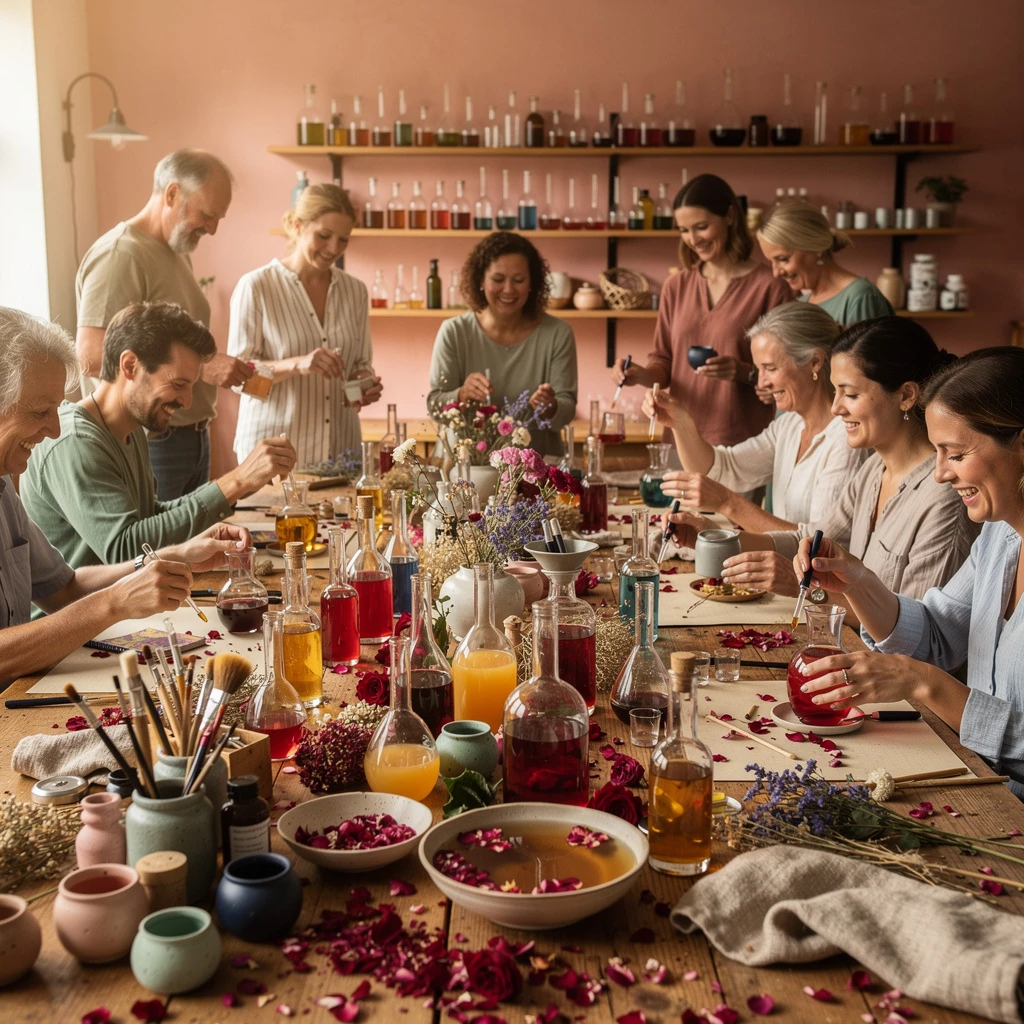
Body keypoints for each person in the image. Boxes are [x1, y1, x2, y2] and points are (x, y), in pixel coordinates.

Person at [791, 348, 1024, 799]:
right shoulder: (999, 536)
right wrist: (857, 582)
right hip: (982, 793)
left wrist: (924, 683)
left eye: (954, 453)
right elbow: (938, 633)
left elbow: (929, 667)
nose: (939, 474)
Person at [0, 307, 250, 687]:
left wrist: (173, 555)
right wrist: (114, 603)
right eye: (40, 411)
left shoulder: (4, 489)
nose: (53, 428)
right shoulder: (75, 439)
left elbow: (64, 589)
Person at [663, 317, 976, 611]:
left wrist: (806, 587)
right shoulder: (874, 471)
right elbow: (814, 540)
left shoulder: (943, 498)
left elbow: (915, 626)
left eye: (850, 394)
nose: (837, 408)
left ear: (906, 395)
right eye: (836, 390)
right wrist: (716, 538)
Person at [20, 302, 295, 570]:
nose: (187, 402)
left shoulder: (131, 428)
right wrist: (236, 480)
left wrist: (242, 485)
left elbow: (149, 516)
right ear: (129, 366)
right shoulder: (75, 441)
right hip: (87, 615)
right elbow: (124, 551)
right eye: (178, 384)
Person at [75, 149, 253, 500]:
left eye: (219, 218)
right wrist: (204, 367)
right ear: (171, 194)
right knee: (158, 550)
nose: (213, 229)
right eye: (206, 214)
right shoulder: (121, 255)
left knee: (190, 549)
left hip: (190, 435)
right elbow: (91, 355)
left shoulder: (174, 251)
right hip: (153, 441)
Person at [643, 301, 867, 533]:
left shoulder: (847, 439)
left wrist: (728, 503)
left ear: (815, 362)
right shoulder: (788, 427)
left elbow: (823, 545)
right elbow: (723, 468)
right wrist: (680, 422)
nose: (761, 383)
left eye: (770, 368)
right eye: (758, 370)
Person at [609, 173, 790, 447]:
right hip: (680, 437)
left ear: (730, 216)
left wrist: (741, 371)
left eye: (701, 227)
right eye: (684, 230)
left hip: (743, 443)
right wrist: (640, 375)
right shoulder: (676, 286)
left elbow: (787, 372)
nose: (693, 239)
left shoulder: (770, 287)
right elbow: (664, 361)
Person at [228, 183, 382, 466]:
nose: (334, 249)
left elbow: (360, 362)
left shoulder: (355, 291)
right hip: (273, 454)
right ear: (298, 226)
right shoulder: (256, 286)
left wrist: (363, 384)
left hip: (340, 451)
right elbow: (239, 380)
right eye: (324, 236)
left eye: (344, 239)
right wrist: (298, 364)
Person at [426, 231, 577, 457]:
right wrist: (461, 395)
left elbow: (566, 411)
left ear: (532, 284)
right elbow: (435, 406)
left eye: (518, 280)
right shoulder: (454, 332)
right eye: (498, 280)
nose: (508, 289)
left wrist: (551, 405)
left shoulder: (557, 334)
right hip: (464, 472)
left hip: (534, 475)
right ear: (480, 281)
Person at [757, 199, 894, 325]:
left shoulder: (860, 298)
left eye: (782, 259)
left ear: (817, 248)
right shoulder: (800, 305)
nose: (775, 273)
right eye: (771, 262)